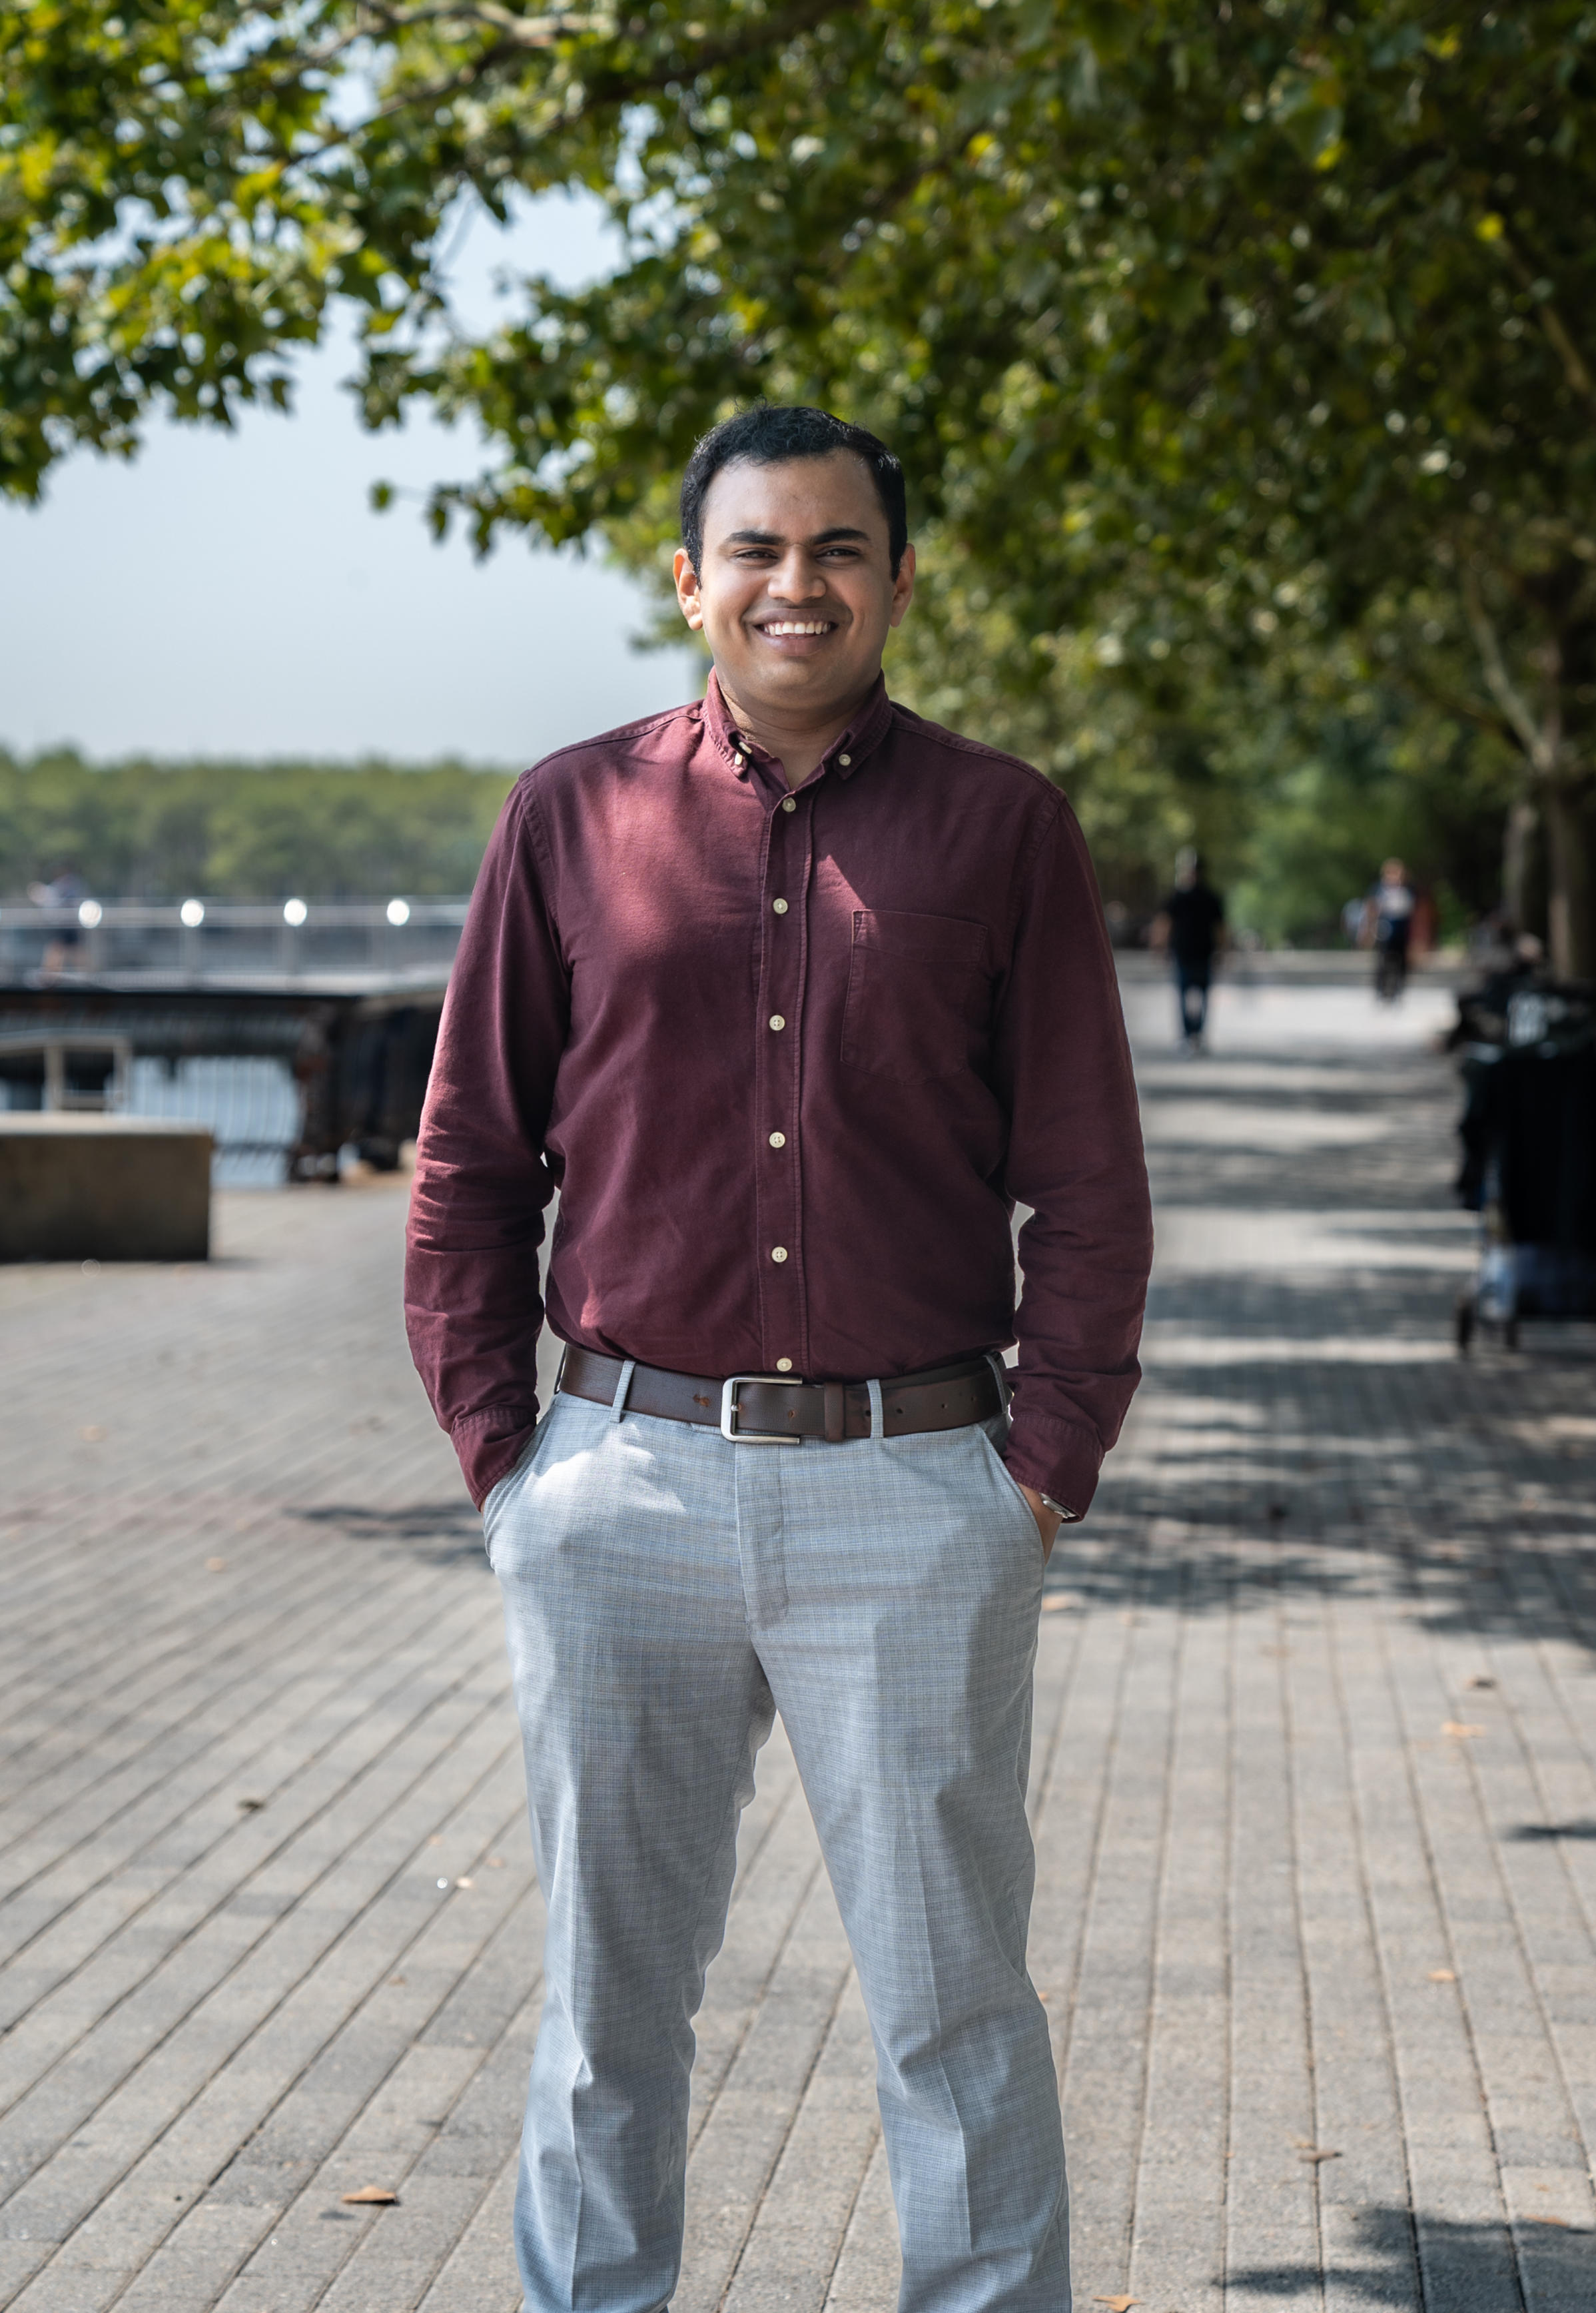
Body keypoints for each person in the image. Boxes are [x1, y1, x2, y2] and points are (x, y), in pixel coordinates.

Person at [405, 404, 1153, 2313]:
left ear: (901, 583)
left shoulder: (1005, 829)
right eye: (755, 549)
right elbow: (474, 1164)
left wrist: (1036, 1478)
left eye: (838, 550)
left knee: (949, 2014)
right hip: (620, 1483)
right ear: (691, 581)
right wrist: (515, 1471)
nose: (795, 585)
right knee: (606, 2021)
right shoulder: (571, 815)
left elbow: (1087, 1183)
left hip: (915, 1494)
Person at [1150, 848, 1225, 1051]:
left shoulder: (1210, 898)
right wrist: (1160, 947)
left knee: (1201, 997)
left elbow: (1220, 928)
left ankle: (1197, 1034)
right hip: (1183, 953)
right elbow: (1165, 924)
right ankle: (1188, 1034)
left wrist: (1221, 951)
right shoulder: (1178, 897)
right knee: (1185, 995)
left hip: (1203, 953)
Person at [1365, 858, 1415, 1001]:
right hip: (1384, 928)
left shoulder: (1408, 889)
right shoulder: (1379, 889)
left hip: (1402, 929)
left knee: (1402, 961)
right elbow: (1371, 908)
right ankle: (1381, 989)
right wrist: (1368, 930)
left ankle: (1399, 988)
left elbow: (1415, 912)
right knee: (1383, 960)